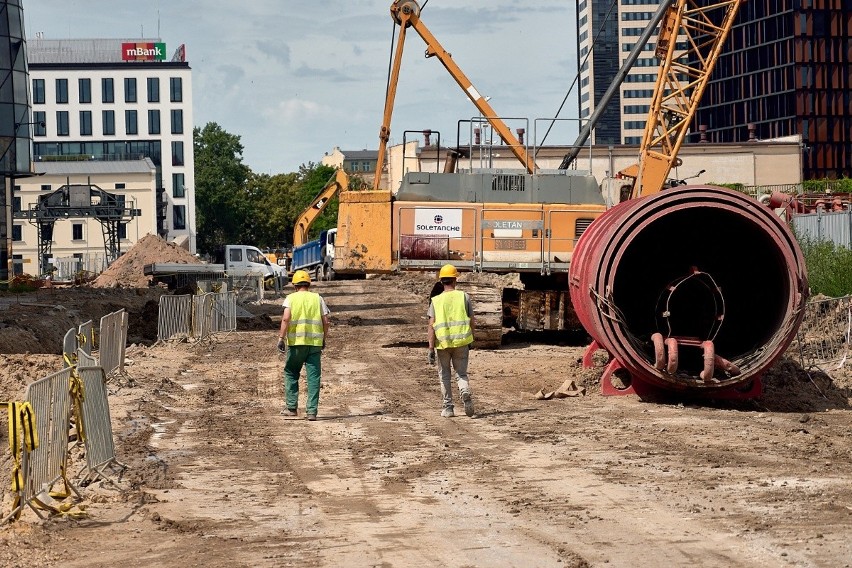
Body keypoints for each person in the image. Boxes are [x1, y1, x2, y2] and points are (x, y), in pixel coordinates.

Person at [277, 269, 330, 421]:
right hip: (314, 345)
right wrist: (323, 339)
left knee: (291, 372)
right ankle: (312, 412)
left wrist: (281, 338)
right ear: (308, 284)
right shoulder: (317, 298)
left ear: (294, 285)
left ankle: (291, 408)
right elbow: (326, 321)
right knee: (314, 378)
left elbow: (286, 319)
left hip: (296, 344)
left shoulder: (290, 299)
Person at [427, 264, 475, 418]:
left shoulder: (435, 300)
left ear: (441, 281)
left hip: (443, 344)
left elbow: (431, 325)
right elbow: (472, 321)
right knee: (461, 374)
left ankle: (448, 408)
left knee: (445, 376)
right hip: (462, 342)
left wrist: (430, 349)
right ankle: (464, 389)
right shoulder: (464, 297)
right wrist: (471, 339)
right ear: (455, 280)